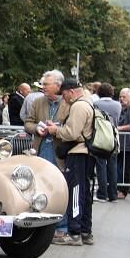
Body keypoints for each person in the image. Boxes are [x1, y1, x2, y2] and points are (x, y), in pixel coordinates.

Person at [46, 78, 95, 246]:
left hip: (77, 153)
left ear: (71, 91)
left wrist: (55, 130)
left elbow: (72, 133)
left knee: (75, 191)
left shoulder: (79, 106)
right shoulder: (88, 103)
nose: (64, 98)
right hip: (87, 153)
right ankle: (85, 231)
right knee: (85, 192)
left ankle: (74, 233)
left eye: (65, 94)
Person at [21, 70, 69, 238]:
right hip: (41, 150)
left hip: (60, 151)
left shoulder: (68, 103)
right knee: (41, 188)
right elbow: (28, 123)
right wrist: (37, 129)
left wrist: (56, 129)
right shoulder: (38, 101)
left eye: (47, 85)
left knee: (60, 189)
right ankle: (43, 226)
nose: (43, 88)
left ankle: (62, 226)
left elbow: (72, 127)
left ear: (58, 85)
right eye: (43, 85)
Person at [92, 83, 122, 202]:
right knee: (112, 166)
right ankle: (113, 194)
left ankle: (102, 194)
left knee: (101, 166)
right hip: (114, 136)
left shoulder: (96, 104)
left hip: (101, 136)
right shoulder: (118, 105)